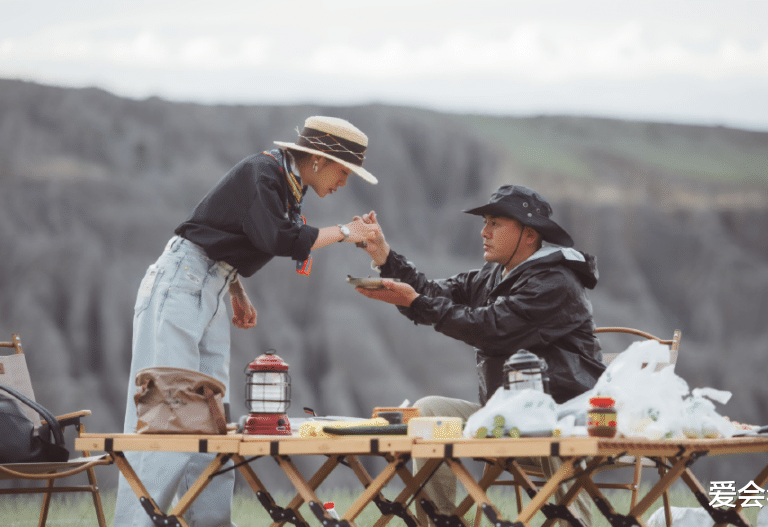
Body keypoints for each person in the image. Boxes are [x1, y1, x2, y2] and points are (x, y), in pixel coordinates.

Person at [114, 116, 379, 527]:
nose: (344, 182)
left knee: (210, 418)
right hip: (181, 284)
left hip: (210, 285)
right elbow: (279, 238)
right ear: (319, 159)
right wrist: (346, 231)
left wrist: (235, 290)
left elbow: (228, 233)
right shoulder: (264, 174)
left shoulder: (288, 185)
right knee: (166, 416)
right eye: (344, 171)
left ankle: (209, 522)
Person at [354, 184, 606, 526]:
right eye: (485, 222)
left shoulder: (556, 282)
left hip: (560, 420)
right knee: (429, 413)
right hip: (505, 419)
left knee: (547, 432)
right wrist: (385, 258)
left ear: (529, 235)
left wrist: (417, 303)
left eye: (495, 224)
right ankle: (440, 521)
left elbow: (491, 327)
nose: (484, 232)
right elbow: (431, 293)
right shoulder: (494, 275)